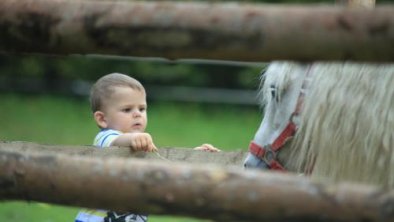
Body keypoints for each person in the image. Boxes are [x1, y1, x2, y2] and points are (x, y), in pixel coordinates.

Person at [75, 73, 219, 222]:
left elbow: (166, 166)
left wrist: (193, 156)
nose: (137, 114)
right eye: (127, 110)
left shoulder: (143, 146)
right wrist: (133, 138)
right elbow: (116, 141)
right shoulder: (105, 139)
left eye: (142, 109)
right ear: (102, 119)